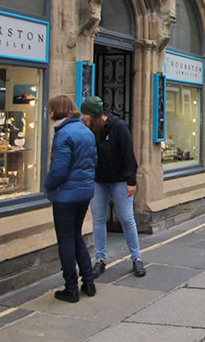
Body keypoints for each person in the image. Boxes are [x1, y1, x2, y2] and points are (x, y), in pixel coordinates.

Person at [81, 96, 145, 278]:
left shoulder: (118, 127)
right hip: (98, 181)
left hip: (119, 180)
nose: (82, 117)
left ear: (94, 115)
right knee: (99, 219)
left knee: (126, 218)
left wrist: (131, 181)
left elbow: (128, 156)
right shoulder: (89, 129)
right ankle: (100, 260)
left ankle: (137, 258)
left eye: (85, 114)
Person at [44, 95, 99, 302]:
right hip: (84, 193)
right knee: (76, 236)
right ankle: (89, 283)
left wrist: (47, 185)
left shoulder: (63, 134)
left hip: (66, 195)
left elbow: (59, 170)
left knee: (66, 240)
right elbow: (93, 161)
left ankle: (71, 288)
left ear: (58, 111)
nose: (49, 114)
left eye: (50, 110)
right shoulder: (86, 131)